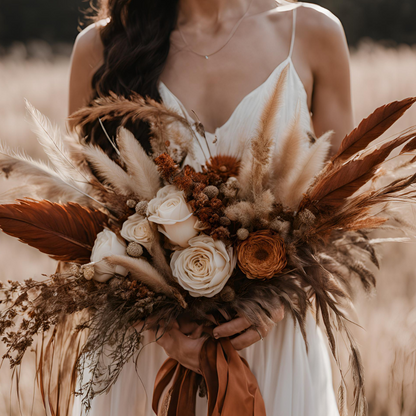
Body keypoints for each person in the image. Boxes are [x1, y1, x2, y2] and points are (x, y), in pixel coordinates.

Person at [69, 1, 354, 415]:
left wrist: (276, 301)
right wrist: (159, 325)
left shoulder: (310, 31)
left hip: (270, 341)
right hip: (145, 351)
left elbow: (343, 202)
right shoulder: (102, 47)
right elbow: (91, 215)